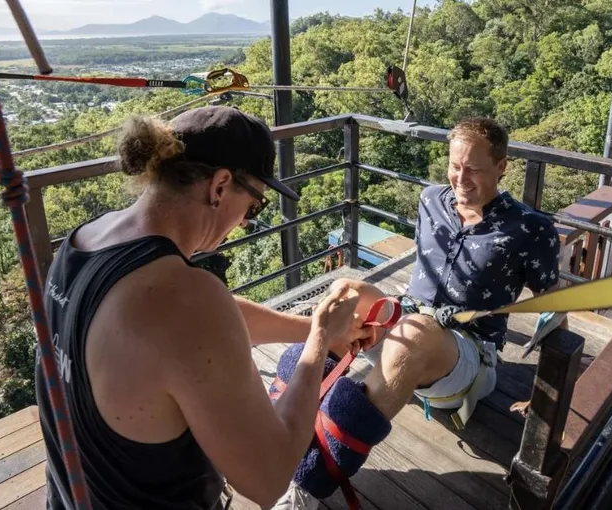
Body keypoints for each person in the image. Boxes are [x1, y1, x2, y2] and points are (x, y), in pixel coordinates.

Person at [35, 106, 373, 509]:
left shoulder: (86, 241)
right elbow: (268, 478)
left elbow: (210, 320)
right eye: (254, 205)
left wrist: (312, 325)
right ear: (219, 186)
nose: (246, 221)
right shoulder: (184, 299)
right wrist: (319, 341)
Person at [271, 117, 564, 509]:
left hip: (468, 352)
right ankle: (276, 424)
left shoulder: (530, 229)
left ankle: (309, 483)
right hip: (411, 314)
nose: (461, 179)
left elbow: (555, 303)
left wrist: (546, 399)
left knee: (414, 333)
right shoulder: (431, 200)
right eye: (455, 166)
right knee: (345, 291)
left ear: (502, 166)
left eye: (474, 169)